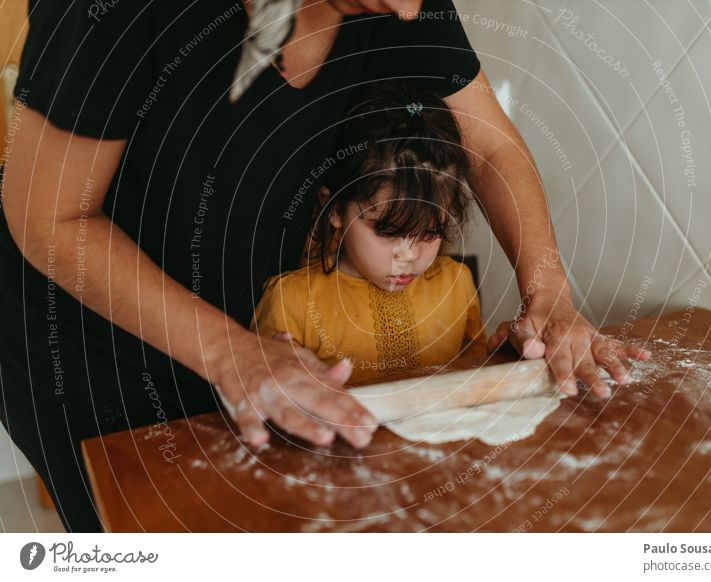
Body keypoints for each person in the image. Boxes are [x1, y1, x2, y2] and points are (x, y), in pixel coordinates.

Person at [0, 0, 649, 531]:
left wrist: (551, 295)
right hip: (85, 346)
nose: (408, 8)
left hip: (259, 339)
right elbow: (47, 219)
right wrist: (233, 354)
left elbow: (488, 145)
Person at [251, 82, 486, 383]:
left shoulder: (457, 285)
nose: (408, 255)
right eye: (388, 231)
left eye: (429, 233)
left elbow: (478, 375)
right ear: (335, 208)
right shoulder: (291, 304)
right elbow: (263, 401)